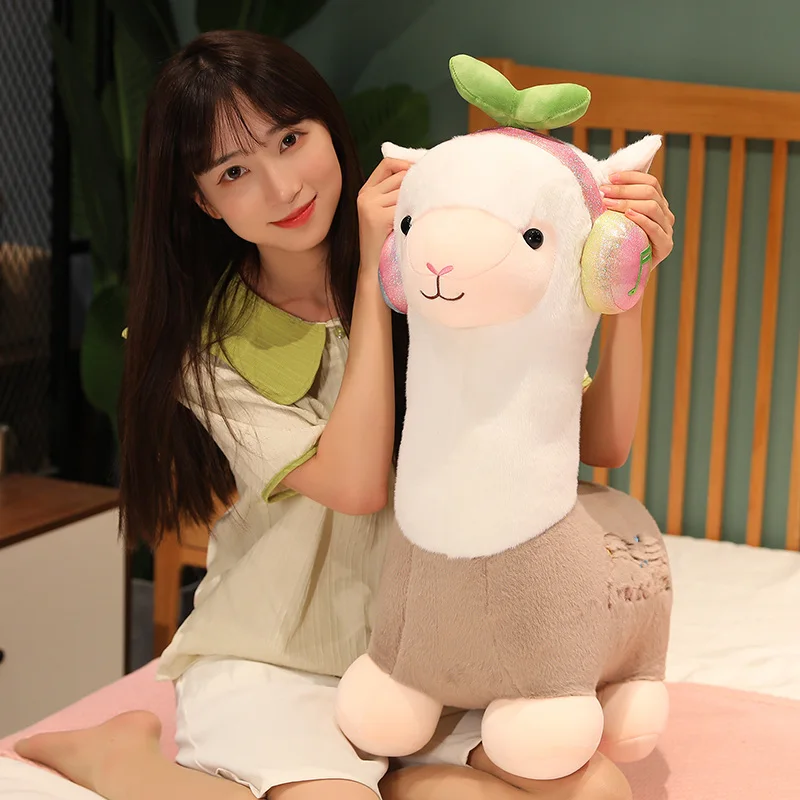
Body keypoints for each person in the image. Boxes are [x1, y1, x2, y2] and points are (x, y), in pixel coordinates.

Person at [15, 30, 675, 800]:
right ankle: (120, 759)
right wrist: (371, 279)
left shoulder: (448, 269)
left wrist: (621, 280)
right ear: (203, 200)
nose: (282, 186)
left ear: (328, 126)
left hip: (427, 646)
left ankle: (381, 775)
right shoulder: (206, 344)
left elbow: (603, 443)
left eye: (290, 139)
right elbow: (358, 486)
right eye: (234, 172)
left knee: (598, 792)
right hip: (279, 654)